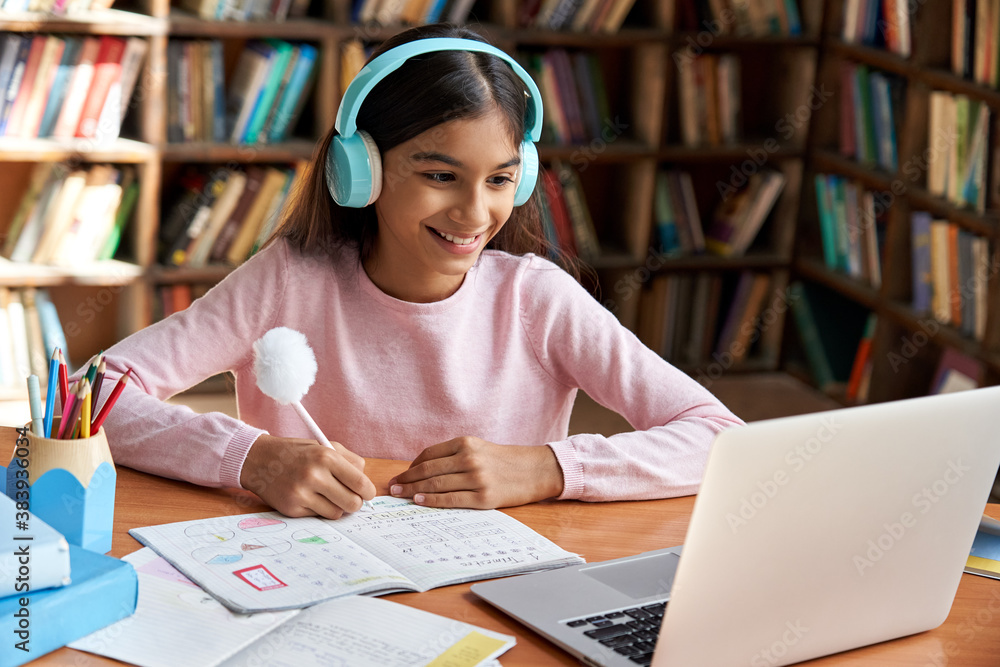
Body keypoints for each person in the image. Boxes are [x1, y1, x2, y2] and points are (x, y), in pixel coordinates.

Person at [86, 23, 743, 520]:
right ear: (360, 169)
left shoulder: (537, 299)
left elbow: (717, 436)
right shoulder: (289, 280)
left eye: (499, 179)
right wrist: (250, 457)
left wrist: (547, 468)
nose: (474, 210)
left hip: (497, 590)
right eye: (438, 175)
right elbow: (95, 395)